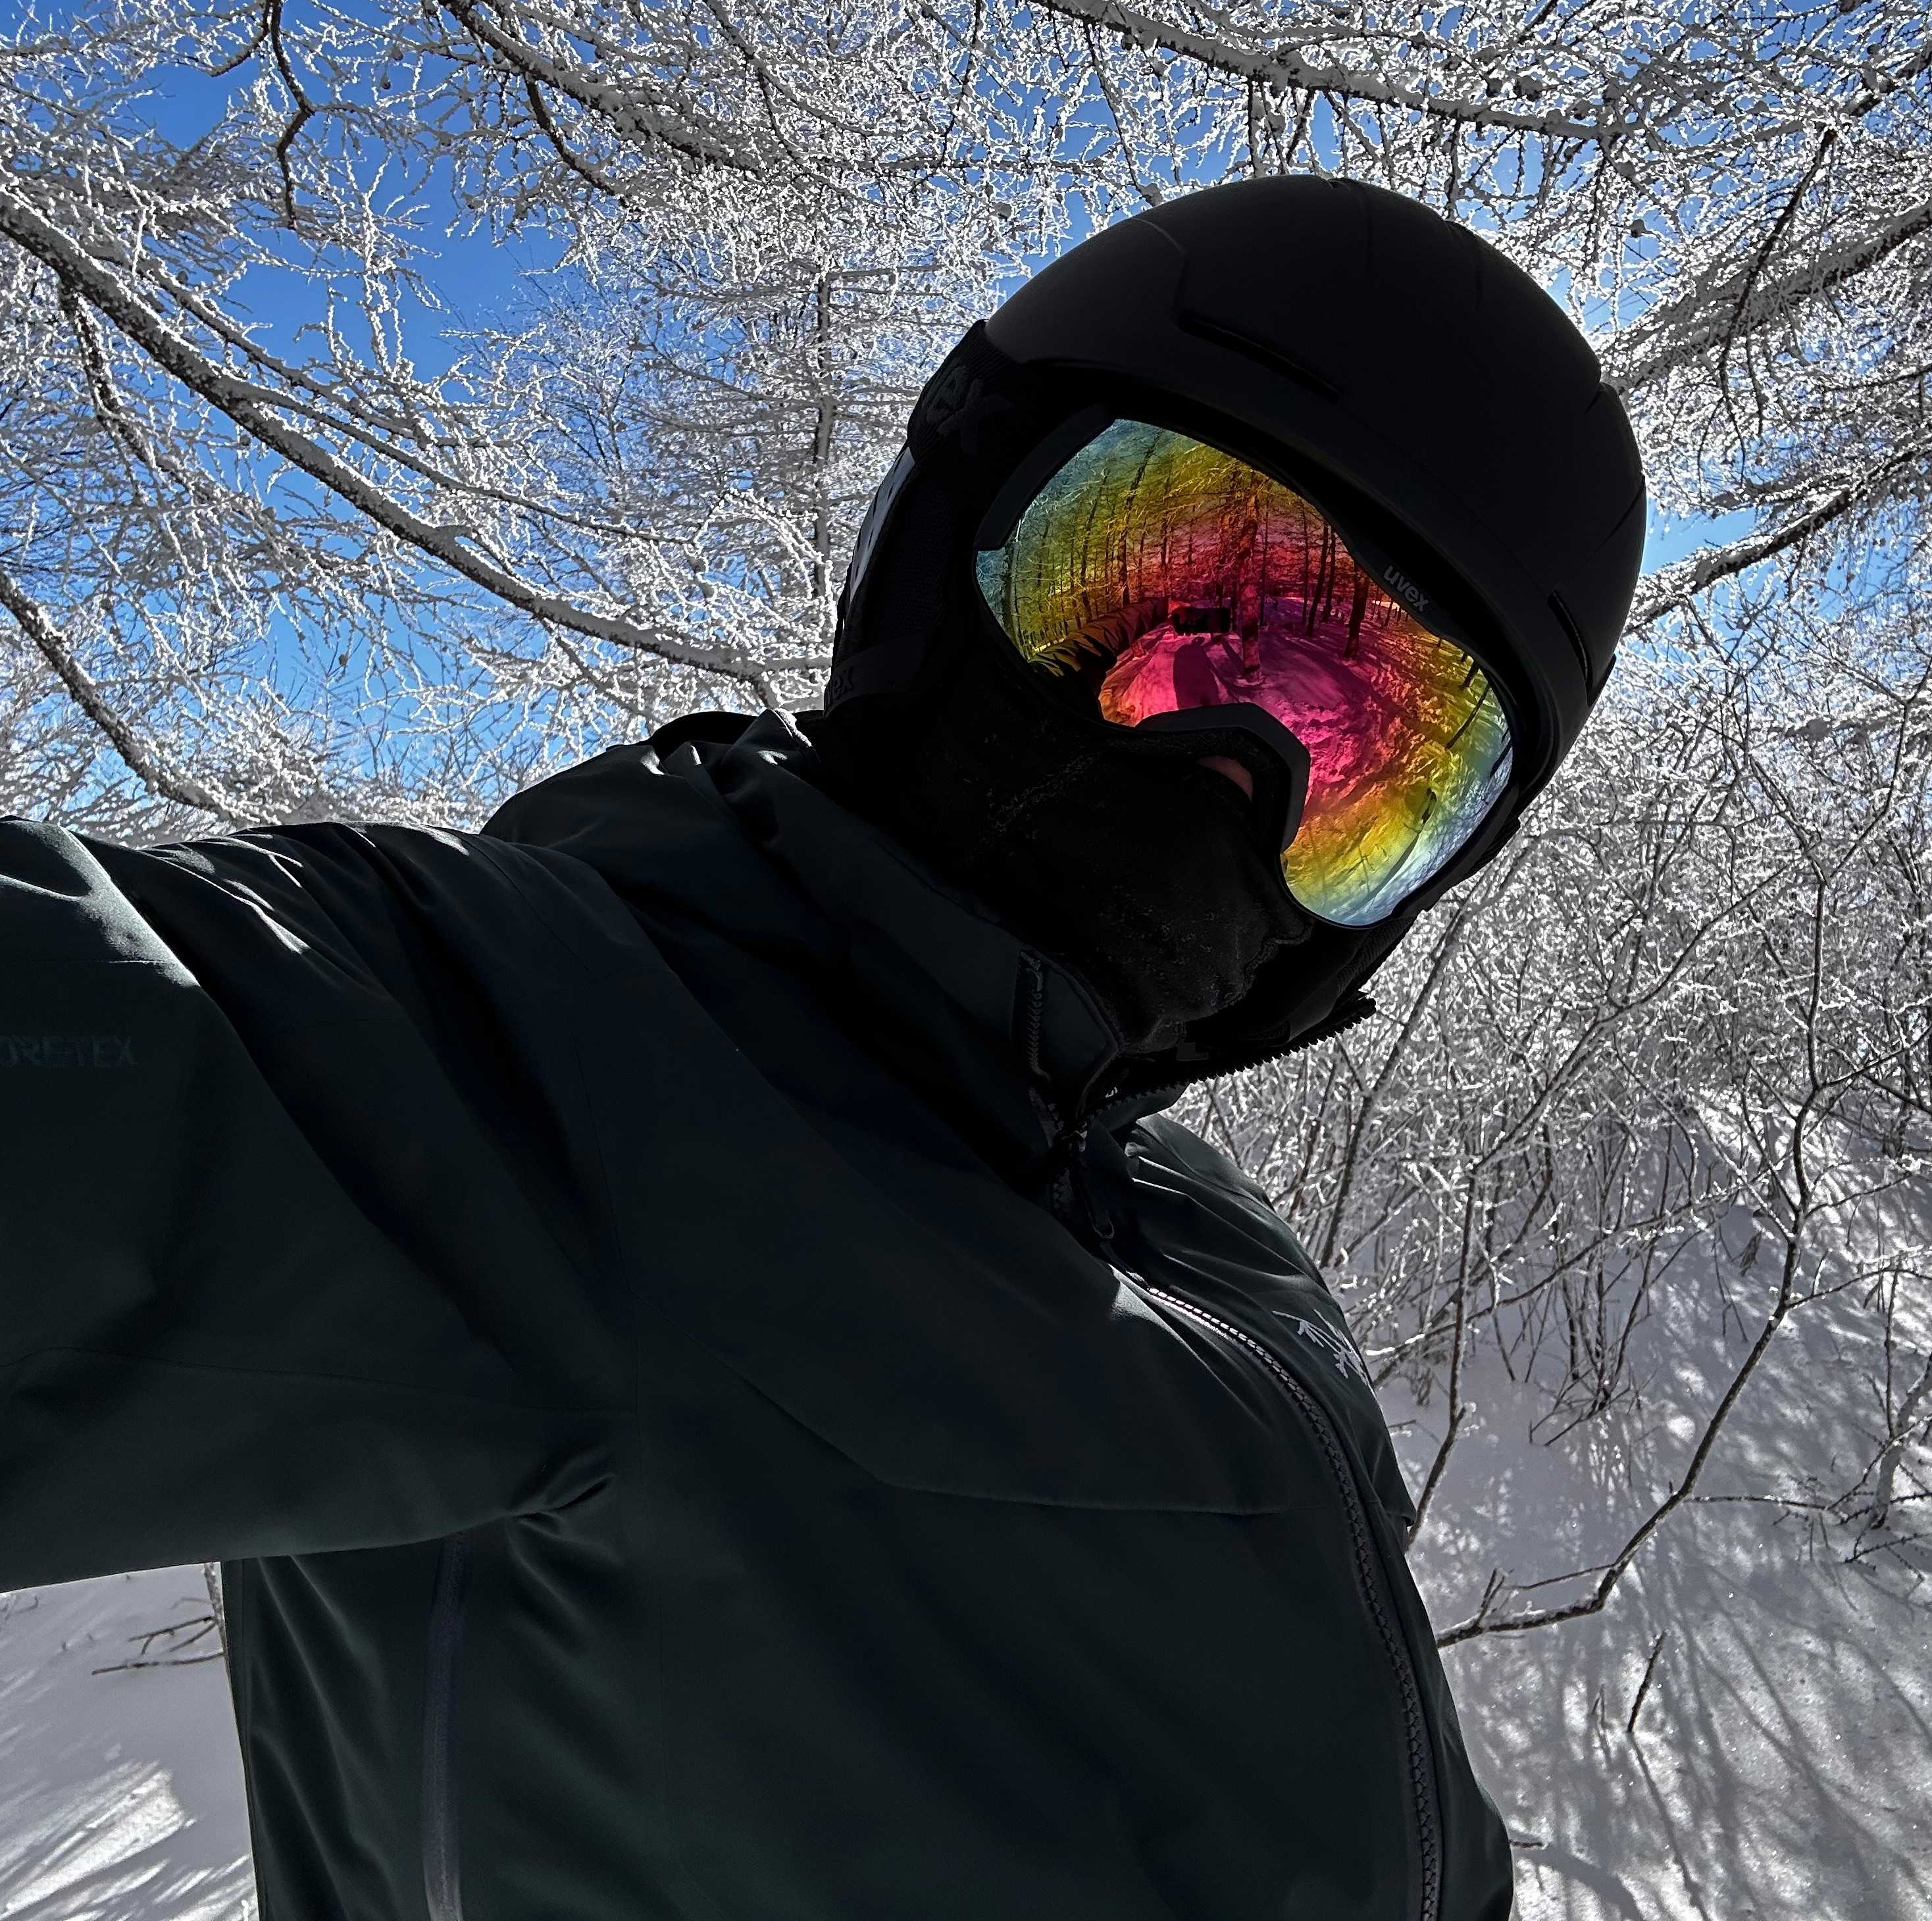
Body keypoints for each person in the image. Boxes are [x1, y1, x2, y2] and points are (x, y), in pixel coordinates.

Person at [0, 175, 1644, 1921]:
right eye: (1166, 608)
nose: (1238, 765)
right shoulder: (530, 1069)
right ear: (943, 553)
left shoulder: (1216, 1240)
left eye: (1375, 765)